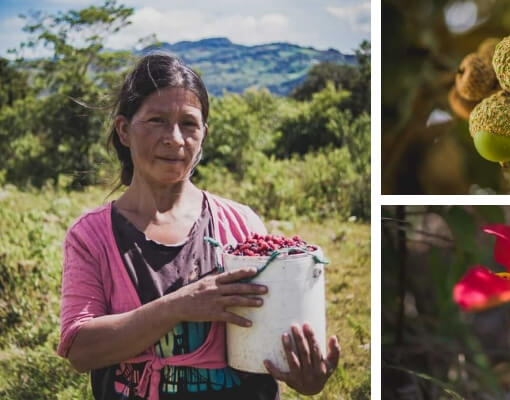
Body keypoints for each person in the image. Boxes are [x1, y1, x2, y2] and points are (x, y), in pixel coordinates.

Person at [57, 52, 341, 400]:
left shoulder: (241, 225)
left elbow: (270, 342)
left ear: (204, 134)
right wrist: (179, 305)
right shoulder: (91, 237)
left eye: (189, 124)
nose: (175, 138)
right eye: (157, 120)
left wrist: (304, 377)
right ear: (124, 130)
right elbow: (80, 349)